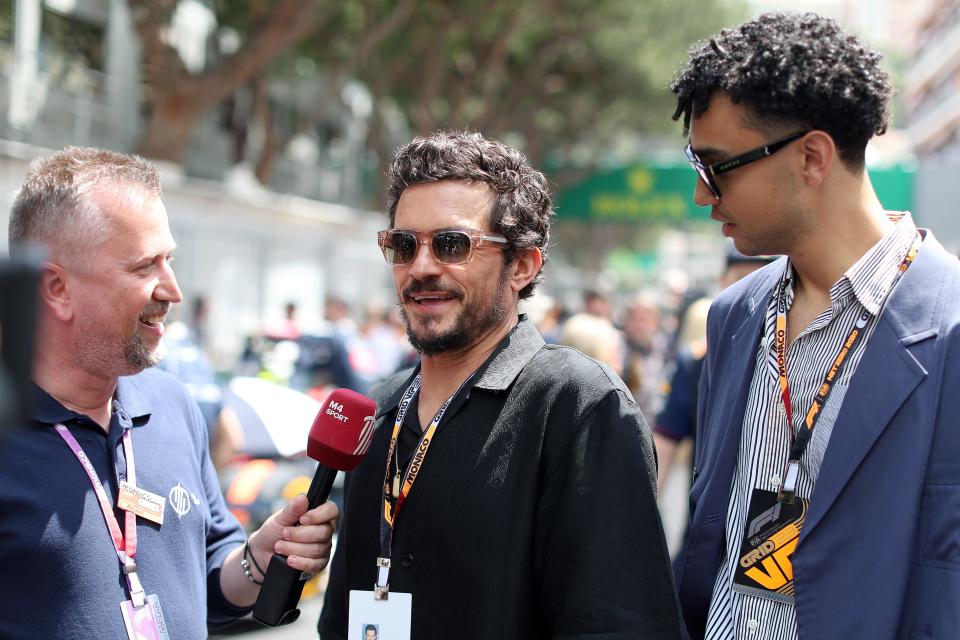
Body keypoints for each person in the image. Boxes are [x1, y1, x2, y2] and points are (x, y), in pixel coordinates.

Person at [318, 131, 683, 639]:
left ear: (522, 265)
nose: (421, 268)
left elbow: (618, 625)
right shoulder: (377, 412)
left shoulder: (579, 405)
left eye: (452, 244)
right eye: (403, 245)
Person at [670, 12, 960, 640]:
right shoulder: (734, 315)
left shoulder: (951, 325)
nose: (702, 194)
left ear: (812, 157)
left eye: (716, 167)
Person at [0, 147, 338, 639]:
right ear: (56, 288)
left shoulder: (171, 404)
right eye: (144, 267)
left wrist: (258, 560)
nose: (173, 290)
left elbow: (210, 581)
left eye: (170, 260)